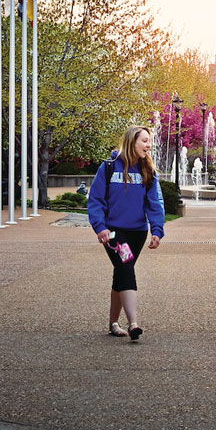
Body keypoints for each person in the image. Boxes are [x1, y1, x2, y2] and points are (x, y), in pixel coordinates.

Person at [87, 126, 165, 341]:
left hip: (138, 233)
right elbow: (95, 200)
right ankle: (133, 323)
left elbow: (155, 203)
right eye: (145, 141)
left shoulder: (148, 171)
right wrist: (100, 227)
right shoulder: (108, 168)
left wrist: (157, 230)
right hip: (114, 232)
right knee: (126, 268)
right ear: (132, 141)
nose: (148, 146)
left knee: (121, 272)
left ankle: (113, 323)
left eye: (149, 141)